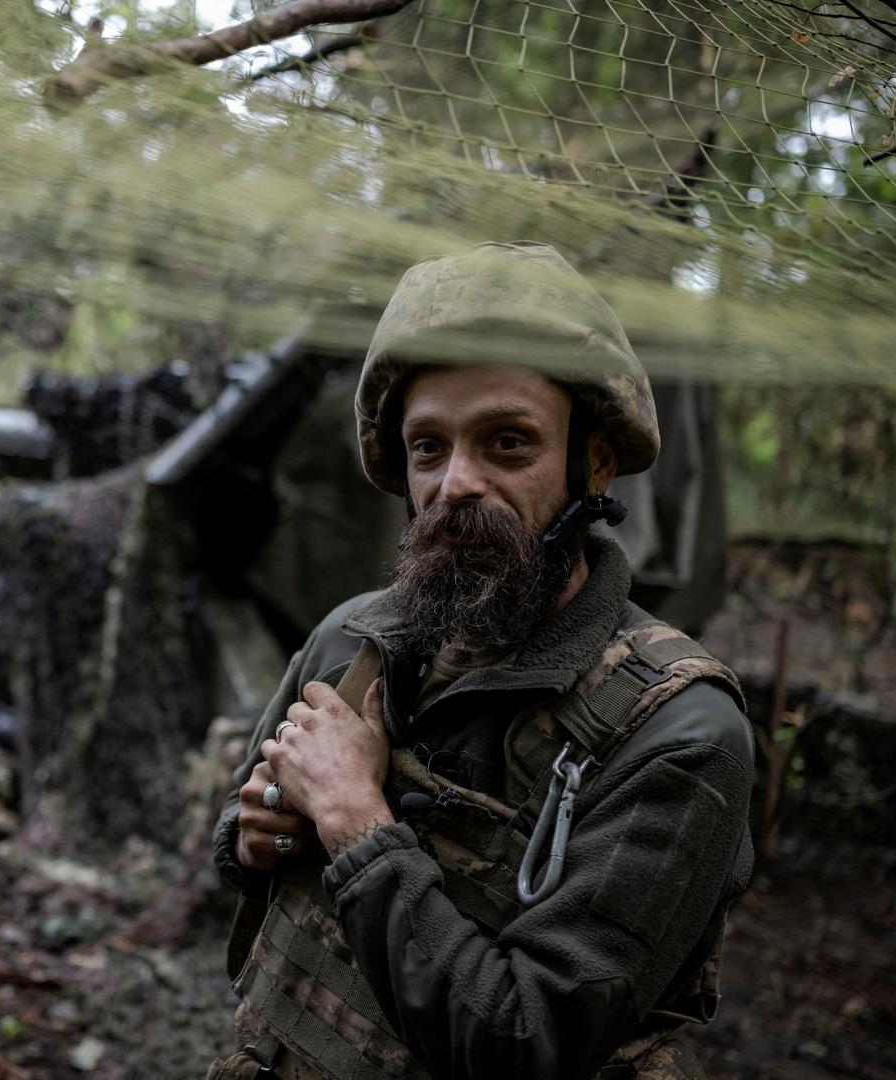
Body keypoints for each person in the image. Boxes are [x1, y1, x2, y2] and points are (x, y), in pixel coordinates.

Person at [209, 242, 756, 1080]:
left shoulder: (679, 731)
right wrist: (258, 835)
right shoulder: (351, 638)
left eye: (506, 443)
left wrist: (355, 818)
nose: (457, 482)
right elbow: (242, 853)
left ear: (594, 462)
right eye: (428, 449)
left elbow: (526, 1044)